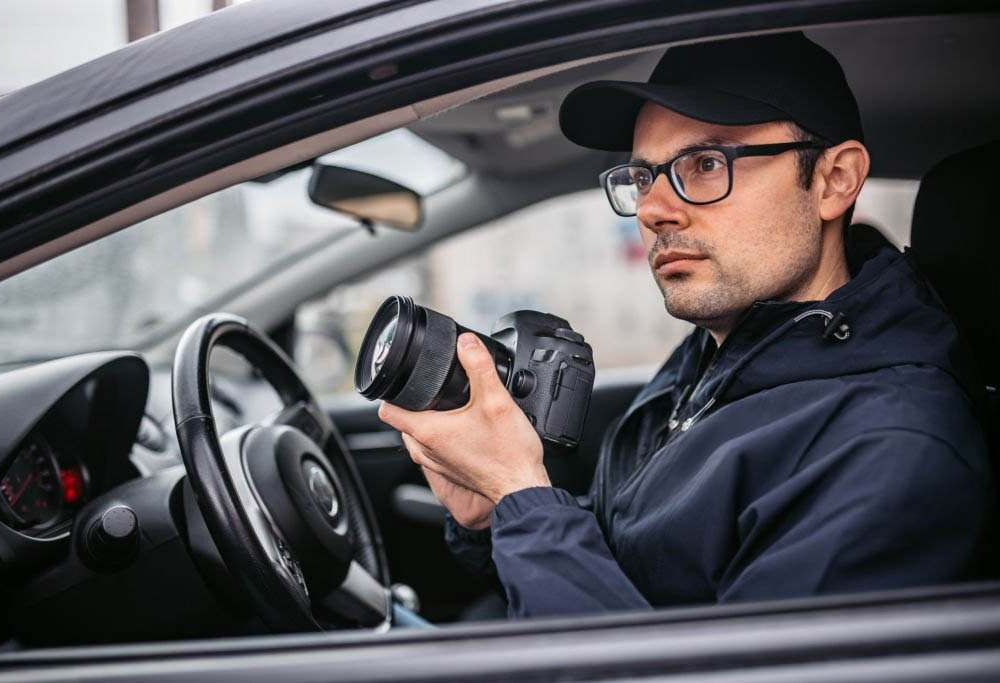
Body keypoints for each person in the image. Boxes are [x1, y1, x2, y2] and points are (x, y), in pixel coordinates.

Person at [377, 33, 998, 618]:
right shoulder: (725, 349)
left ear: (835, 181)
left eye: (705, 163)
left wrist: (522, 492)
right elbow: (639, 558)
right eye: (643, 176)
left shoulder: (892, 452)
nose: (651, 209)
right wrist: (496, 519)